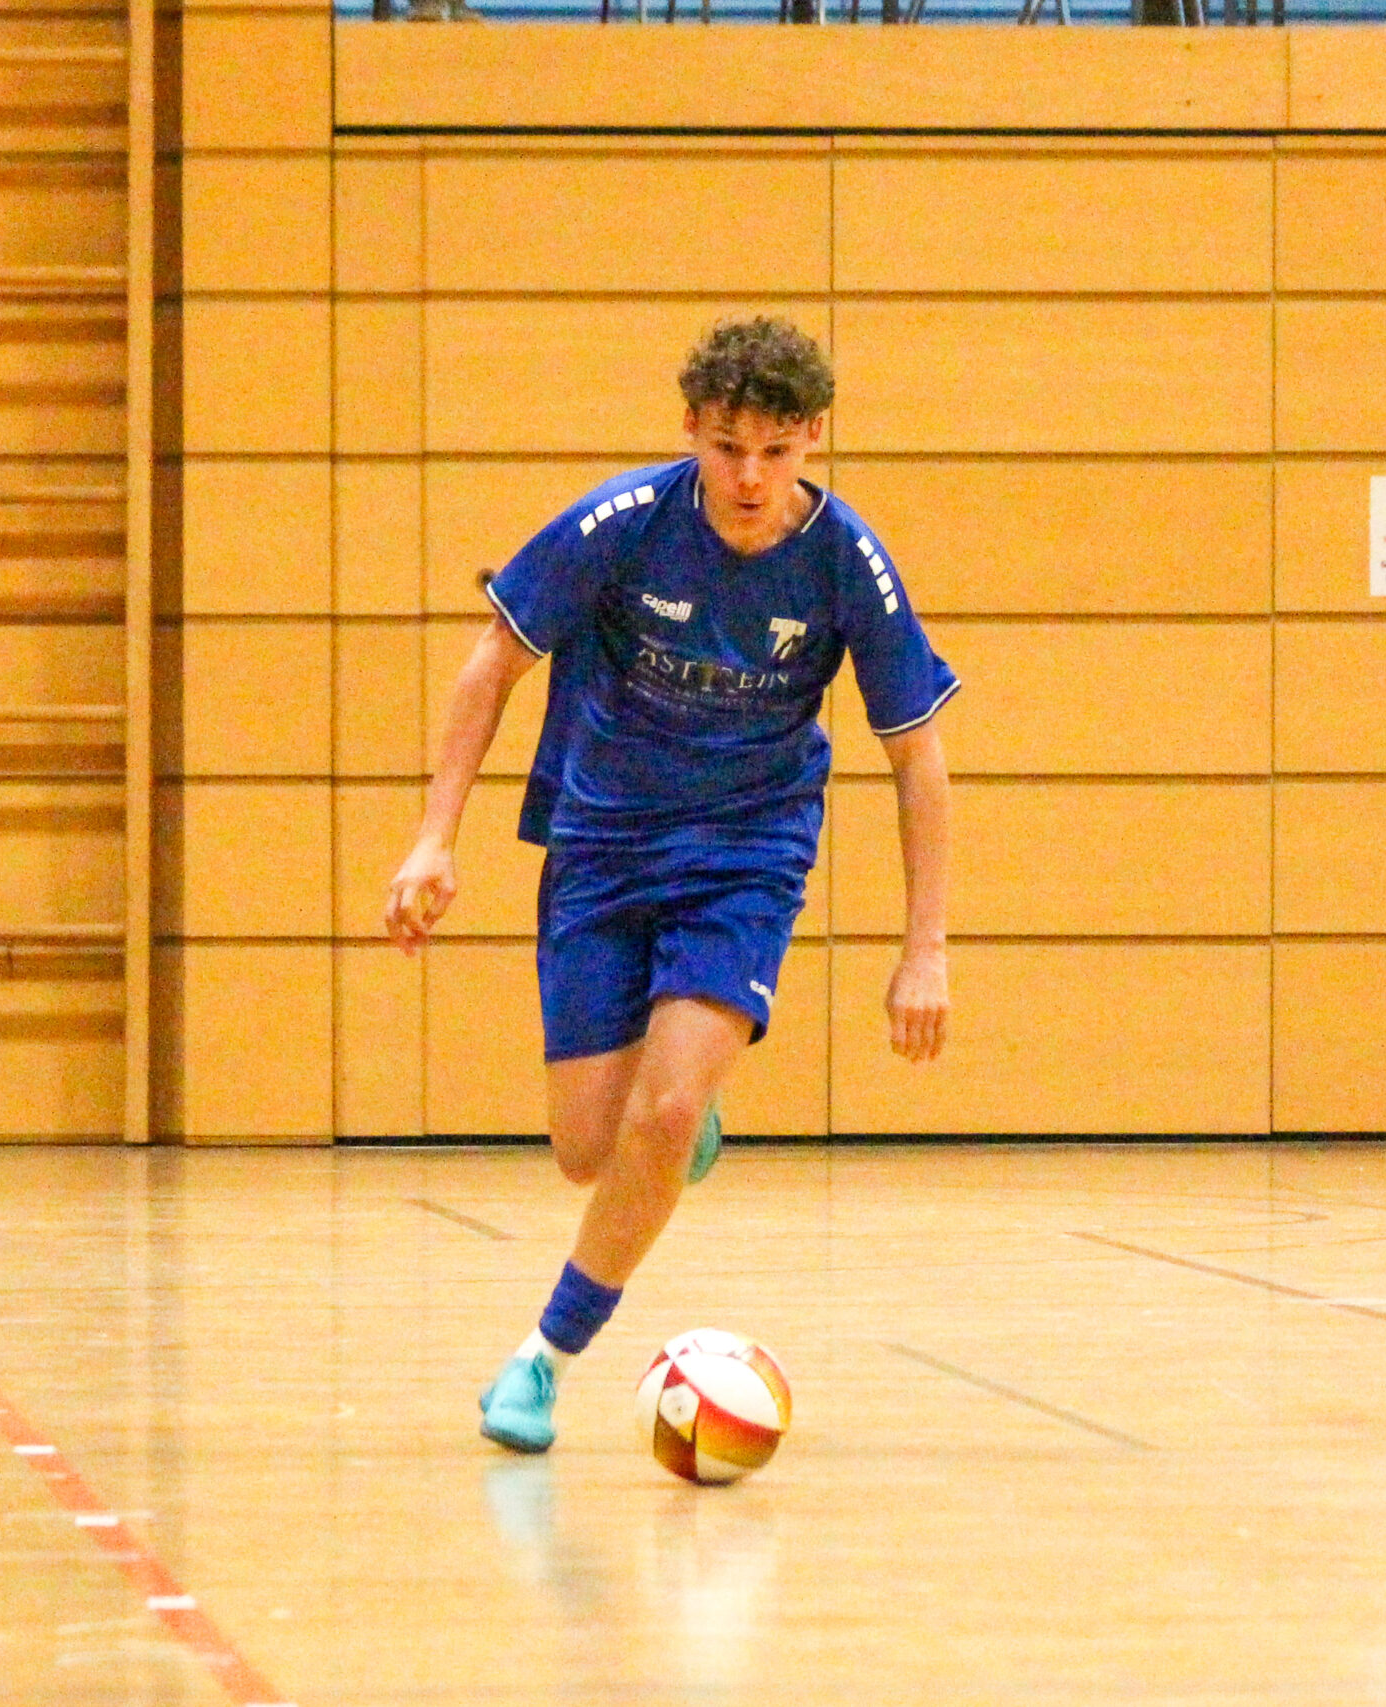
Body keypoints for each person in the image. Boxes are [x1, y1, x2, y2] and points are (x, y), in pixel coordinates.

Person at [386, 316, 958, 1452]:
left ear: (812, 439)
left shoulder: (847, 562)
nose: (750, 478)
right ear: (692, 428)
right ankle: (674, 1125)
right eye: (729, 447)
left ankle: (542, 1359)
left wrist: (924, 949)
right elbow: (493, 662)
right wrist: (433, 839)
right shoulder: (622, 523)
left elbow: (916, 759)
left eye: (777, 452)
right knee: (585, 1149)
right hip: (601, 844)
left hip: (745, 854)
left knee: (662, 1109)